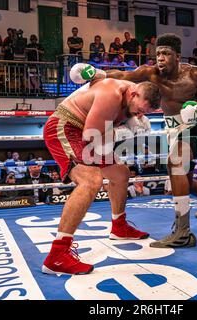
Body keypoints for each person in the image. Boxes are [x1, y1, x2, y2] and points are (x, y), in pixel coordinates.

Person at [71, 33, 197, 248]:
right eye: (158, 53)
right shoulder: (150, 73)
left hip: (196, 122)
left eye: (166, 53)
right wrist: (95, 73)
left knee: (175, 164)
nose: (161, 58)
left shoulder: (196, 74)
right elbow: (121, 75)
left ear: (178, 56)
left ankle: (183, 233)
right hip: (172, 126)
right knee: (185, 182)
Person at [42, 74, 161, 274]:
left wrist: (132, 120)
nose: (139, 115)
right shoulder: (112, 94)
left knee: (121, 174)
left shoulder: (131, 97)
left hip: (91, 134)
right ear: (133, 94)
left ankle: (119, 227)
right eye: (139, 111)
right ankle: (57, 255)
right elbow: (91, 135)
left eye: (143, 114)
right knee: (91, 180)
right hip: (67, 128)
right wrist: (125, 131)